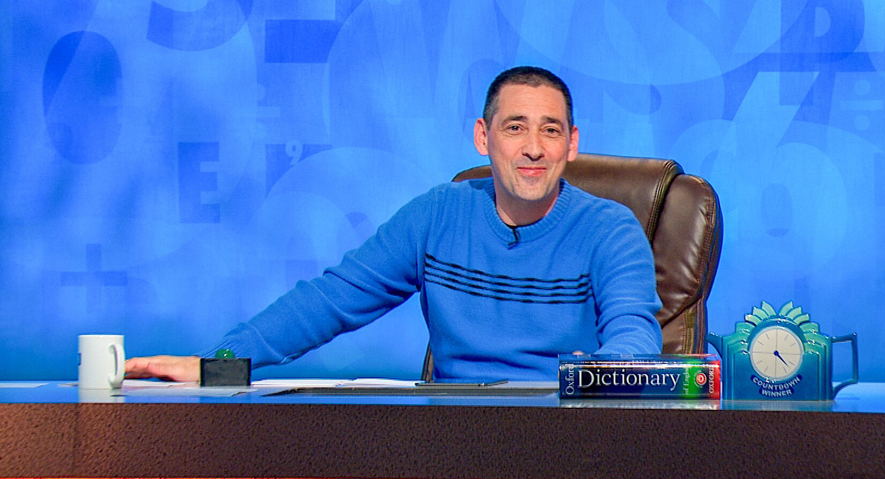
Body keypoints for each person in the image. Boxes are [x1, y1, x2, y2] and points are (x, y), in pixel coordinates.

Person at [126, 66, 662, 383]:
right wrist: (217, 364)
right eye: (515, 127)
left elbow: (634, 335)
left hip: (564, 440)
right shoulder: (439, 214)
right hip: (452, 445)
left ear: (571, 143)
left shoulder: (610, 230)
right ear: (483, 137)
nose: (534, 148)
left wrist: (594, 388)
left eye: (551, 130)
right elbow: (331, 299)